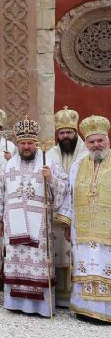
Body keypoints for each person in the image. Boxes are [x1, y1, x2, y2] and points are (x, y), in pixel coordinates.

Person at [0, 117, 69, 317]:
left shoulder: (48, 163)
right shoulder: (8, 166)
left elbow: (65, 188)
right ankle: (15, 303)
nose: (26, 146)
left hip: (40, 228)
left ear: (35, 143)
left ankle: (41, 307)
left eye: (30, 143)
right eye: (23, 143)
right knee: (15, 263)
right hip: (13, 225)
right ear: (17, 144)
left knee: (39, 265)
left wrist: (51, 179)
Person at [61, 115, 111, 322]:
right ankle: (84, 308)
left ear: (107, 140)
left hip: (107, 229)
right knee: (85, 264)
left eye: (100, 140)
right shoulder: (77, 166)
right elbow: (69, 195)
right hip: (81, 229)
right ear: (86, 144)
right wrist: (66, 222)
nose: (96, 145)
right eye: (92, 142)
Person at [46, 106, 88, 307]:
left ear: (76, 132)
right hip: (56, 212)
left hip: (80, 210)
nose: (65, 137)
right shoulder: (50, 153)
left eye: (68, 132)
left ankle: (78, 296)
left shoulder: (86, 153)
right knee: (58, 250)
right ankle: (60, 296)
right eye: (61, 133)